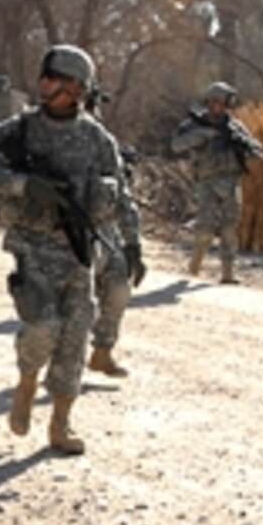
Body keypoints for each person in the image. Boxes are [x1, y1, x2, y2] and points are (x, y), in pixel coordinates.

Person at [0, 45, 126, 454]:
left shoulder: (97, 138)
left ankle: (61, 424)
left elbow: (120, 191)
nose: (43, 84)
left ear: (77, 87)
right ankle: (27, 382)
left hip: (79, 254)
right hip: (33, 248)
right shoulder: (19, 131)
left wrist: (128, 245)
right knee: (43, 327)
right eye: (43, 77)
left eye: (53, 78)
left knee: (75, 338)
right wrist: (26, 186)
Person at [170, 82, 263, 283]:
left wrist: (245, 147)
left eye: (225, 104)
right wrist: (204, 136)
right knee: (205, 228)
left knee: (230, 228)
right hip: (207, 182)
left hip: (231, 181)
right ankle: (196, 260)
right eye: (218, 103)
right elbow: (176, 145)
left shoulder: (234, 126)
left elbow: (255, 147)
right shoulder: (195, 124)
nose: (221, 108)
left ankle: (227, 273)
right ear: (210, 102)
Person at [83, 88, 145, 378]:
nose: (94, 110)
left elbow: (122, 193)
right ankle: (56, 368)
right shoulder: (49, 139)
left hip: (106, 231)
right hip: (71, 233)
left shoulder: (103, 142)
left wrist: (134, 243)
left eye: (95, 105)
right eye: (90, 103)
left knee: (118, 290)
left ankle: (102, 352)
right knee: (76, 304)